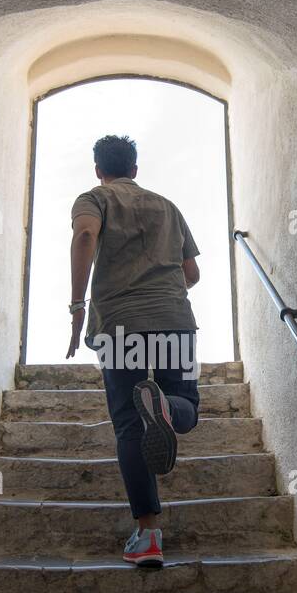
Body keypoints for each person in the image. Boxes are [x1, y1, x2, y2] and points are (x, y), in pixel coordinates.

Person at [67, 134, 201, 568]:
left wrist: (76, 305)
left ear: (99, 170)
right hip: (174, 321)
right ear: (136, 169)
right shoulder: (167, 206)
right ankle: (165, 405)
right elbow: (192, 273)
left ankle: (148, 536)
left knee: (129, 425)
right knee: (189, 409)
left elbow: (86, 235)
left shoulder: (94, 197)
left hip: (120, 327)